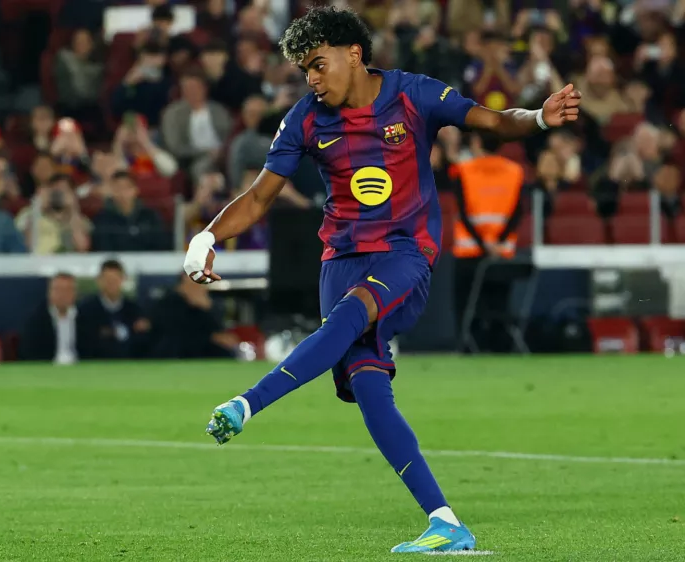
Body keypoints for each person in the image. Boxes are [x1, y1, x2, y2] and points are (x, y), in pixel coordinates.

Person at [181, 7, 581, 554]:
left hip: (403, 253)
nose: (312, 79)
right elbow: (258, 198)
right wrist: (206, 235)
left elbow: (490, 120)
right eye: (304, 71)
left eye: (318, 64)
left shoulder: (413, 94)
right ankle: (446, 522)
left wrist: (537, 117)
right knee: (370, 389)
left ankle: (246, 404)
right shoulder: (303, 118)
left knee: (350, 316)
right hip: (339, 258)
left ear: (353, 52)